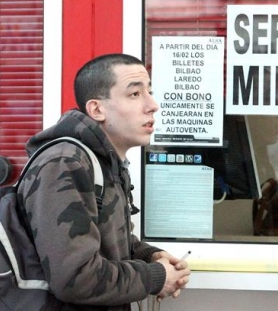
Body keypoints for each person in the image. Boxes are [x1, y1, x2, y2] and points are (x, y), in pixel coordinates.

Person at [18, 53, 190, 310]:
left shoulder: (104, 162)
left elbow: (101, 239)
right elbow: (75, 278)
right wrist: (156, 277)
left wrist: (147, 255)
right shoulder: (65, 163)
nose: (153, 105)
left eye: (149, 91)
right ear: (97, 109)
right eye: (135, 94)